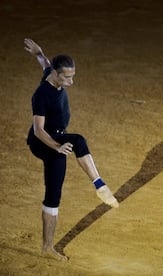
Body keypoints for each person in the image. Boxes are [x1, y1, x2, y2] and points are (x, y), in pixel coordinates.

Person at [24, 38, 119, 261]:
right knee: (75, 143)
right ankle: (48, 248)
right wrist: (58, 147)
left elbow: (44, 62)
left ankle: (99, 184)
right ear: (56, 75)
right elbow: (38, 131)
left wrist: (39, 52)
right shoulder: (41, 94)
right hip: (44, 142)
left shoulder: (50, 72)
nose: (72, 81)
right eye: (67, 77)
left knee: (56, 188)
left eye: (72, 76)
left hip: (57, 138)